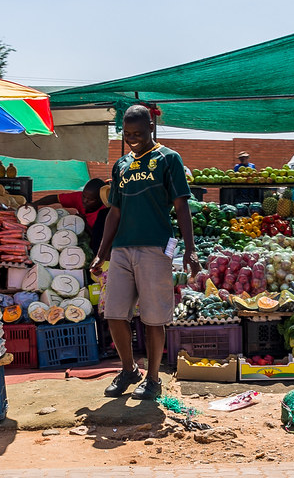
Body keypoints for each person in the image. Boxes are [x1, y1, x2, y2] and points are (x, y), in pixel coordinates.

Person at [90, 105, 201, 401]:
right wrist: (101, 253)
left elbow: (181, 206)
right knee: (114, 313)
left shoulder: (168, 159)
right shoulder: (121, 165)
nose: (134, 139)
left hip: (155, 247)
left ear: (151, 127)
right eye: (128, 135)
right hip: (121, 250)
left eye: (139, 133)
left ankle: (153, 379)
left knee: (153, 319)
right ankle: (129, 370)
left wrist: (189, 249)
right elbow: (114, 211)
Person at [35, 178, 110, 252]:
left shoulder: (104, 215)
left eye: (90, 200)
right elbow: (55, 198)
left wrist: (85, 224)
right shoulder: (79, 197)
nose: (85, 200)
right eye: (84, 196)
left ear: (100, 200)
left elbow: (98, 242)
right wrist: (34, 205)